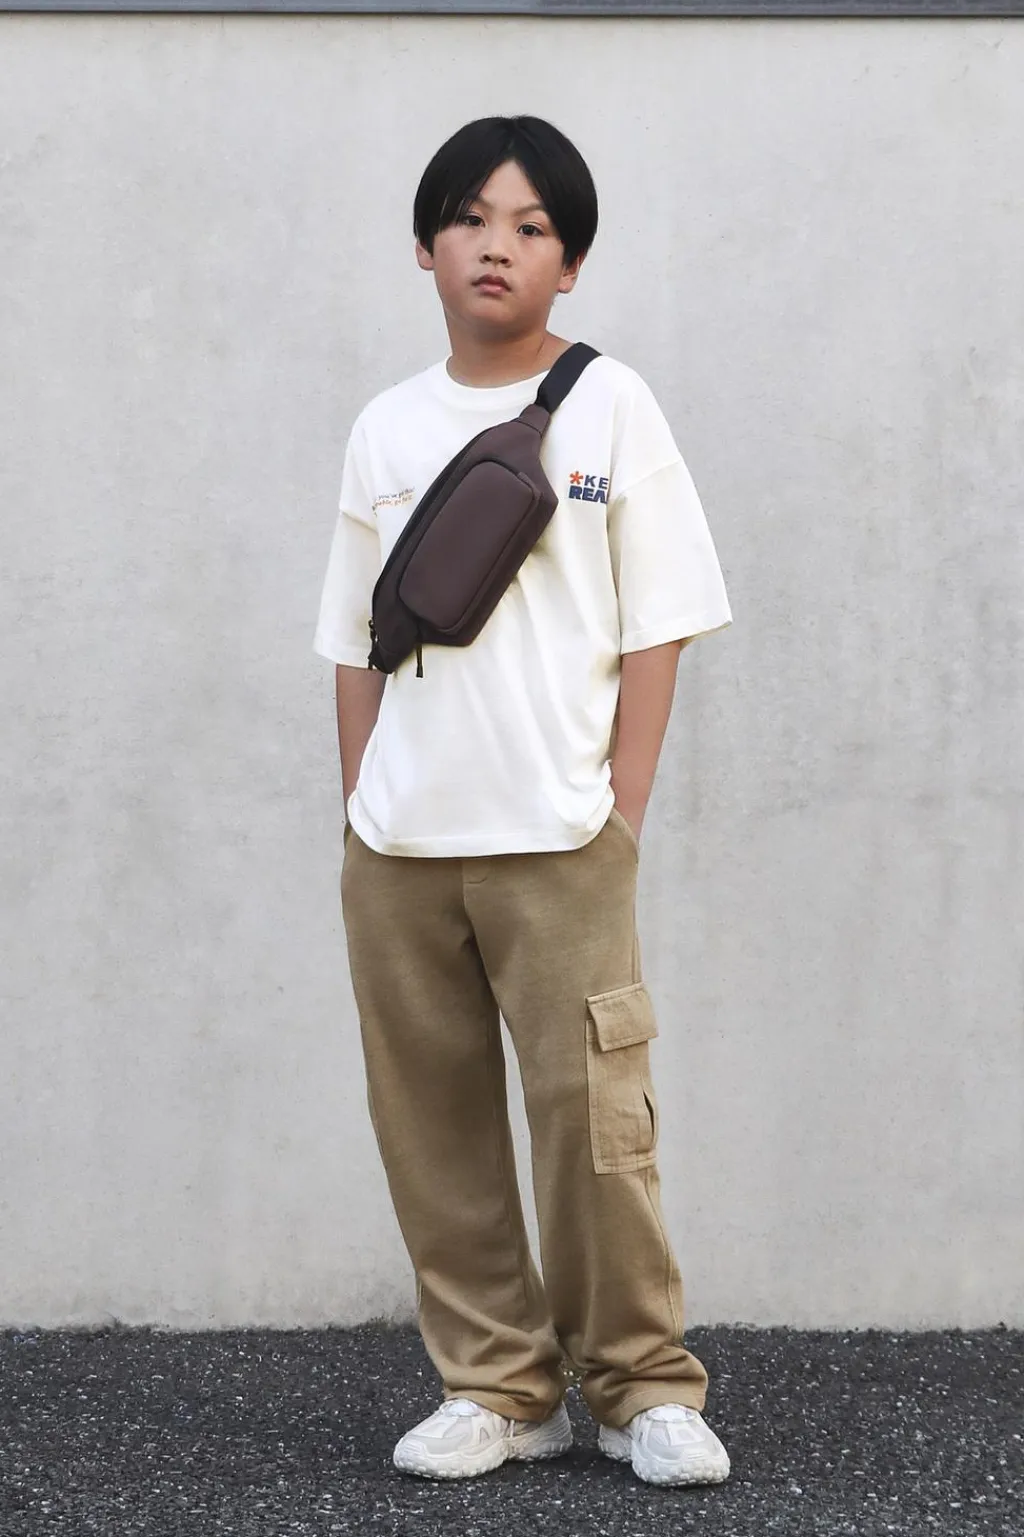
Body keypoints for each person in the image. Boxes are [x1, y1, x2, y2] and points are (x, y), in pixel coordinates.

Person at [314, 115, 733, 1488]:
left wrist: (621, 816)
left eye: (533, 225)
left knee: (597, 1128)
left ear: (571, 263)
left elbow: (663, 620)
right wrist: (362, 808)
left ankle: (642, 1385)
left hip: (559, 839)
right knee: (431, 1128)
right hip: (402, 848)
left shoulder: (612, 406)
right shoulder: (386, 426)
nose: (497, 244)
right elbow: (356, 641)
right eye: (471, 218)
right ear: (425, 246)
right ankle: (497, 1387)